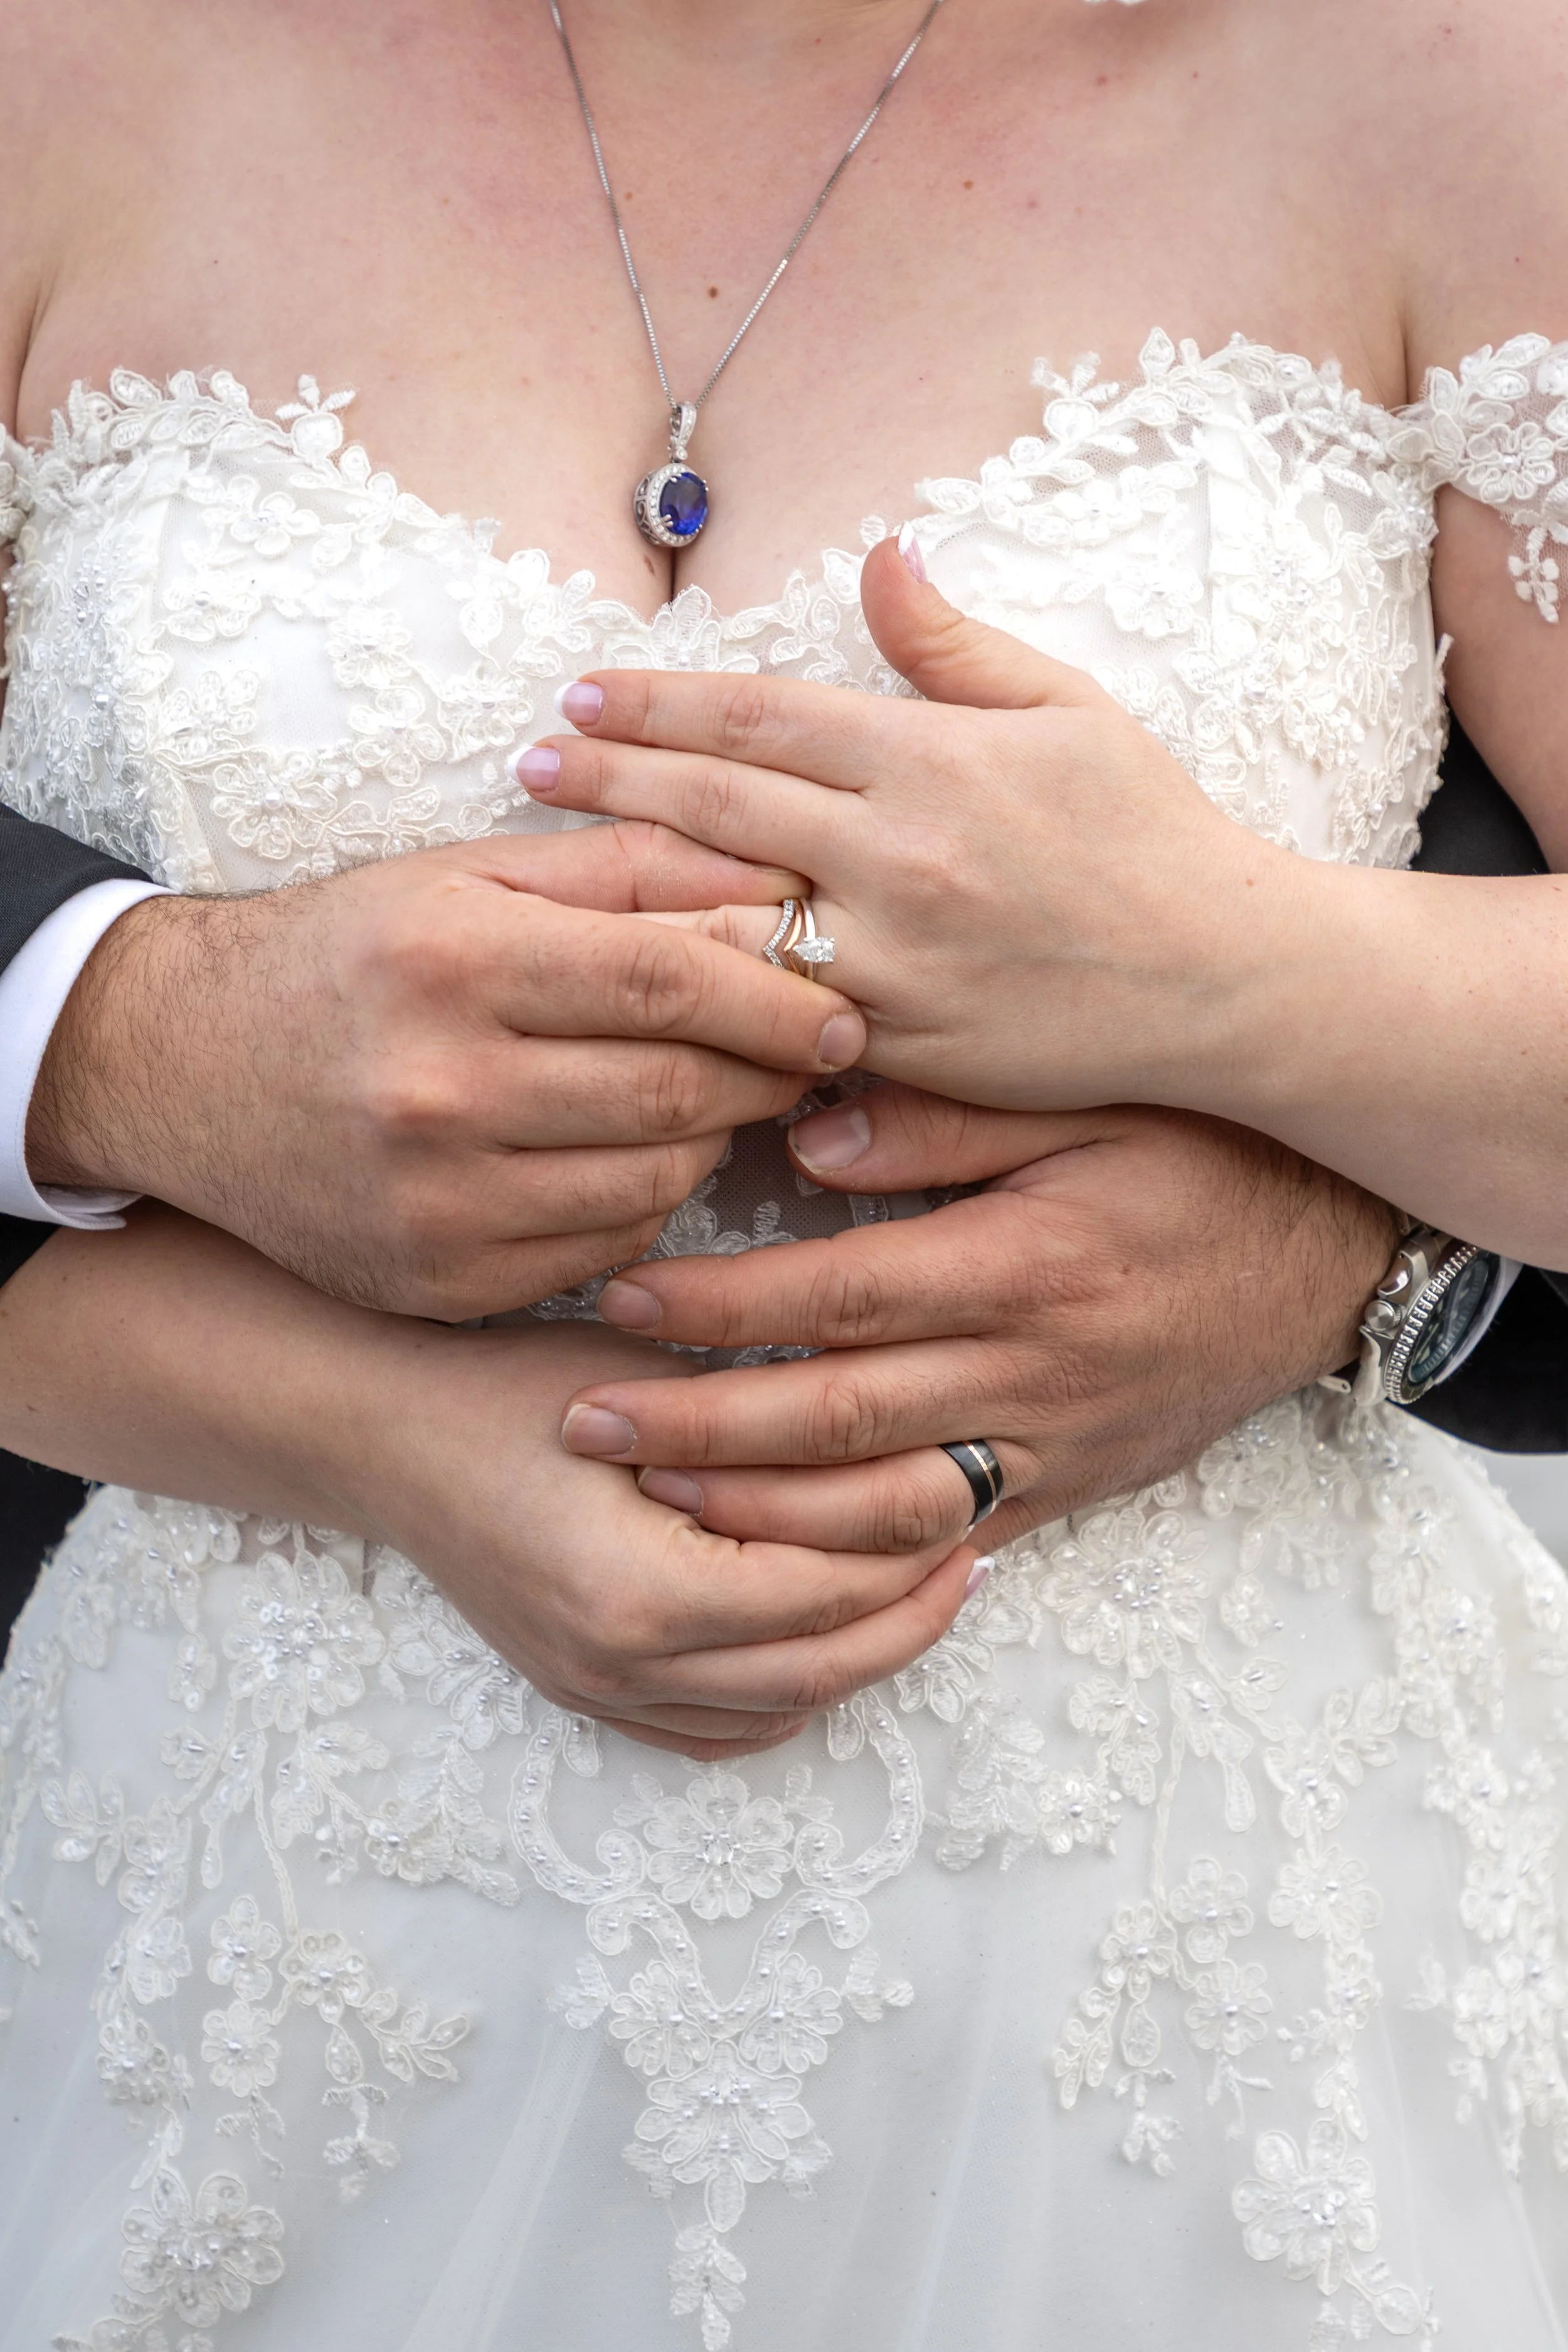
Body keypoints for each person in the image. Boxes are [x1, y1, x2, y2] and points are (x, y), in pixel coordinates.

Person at [2, 1, 1568, 2344]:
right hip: (235, 1960)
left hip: (1210, 1975)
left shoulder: (1450, 83)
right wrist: (153, 1053)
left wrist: (1246, 993)